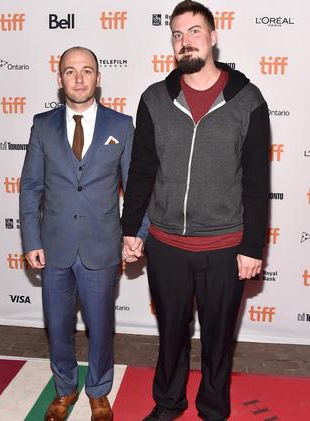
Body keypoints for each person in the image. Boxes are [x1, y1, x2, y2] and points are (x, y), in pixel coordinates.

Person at [121, 1, 269, 420]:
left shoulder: (248, 100)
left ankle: (213, 409)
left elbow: (258, 182)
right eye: (177, 34)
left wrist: (252, 246)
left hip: (226, 245)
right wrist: (131, 228)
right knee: (171, 334)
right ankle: (168, 403)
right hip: (167, 244)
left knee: (220, 338)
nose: (185, 42)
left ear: (213, 37)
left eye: (194, 32)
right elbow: (142, 171)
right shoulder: (154, 99)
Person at [20, 46, 146, 421]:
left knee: (101, 326)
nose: (79, 78)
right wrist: (31, 239)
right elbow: (30, 188)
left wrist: (136, 233)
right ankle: (64, 390)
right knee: (57, 327)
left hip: (101, 245)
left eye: (86, 71)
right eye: (70, 71)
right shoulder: (42, 125)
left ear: (98, 77)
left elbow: (136, 189)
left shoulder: (121, 126)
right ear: (59, 79)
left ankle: (99, 391)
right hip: (54, 245)